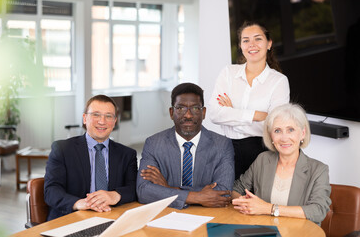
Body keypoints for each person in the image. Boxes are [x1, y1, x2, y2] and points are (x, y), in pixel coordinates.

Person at [208, 21, 290, 180]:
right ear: (240, 45)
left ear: (269, 44)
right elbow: (214, 114)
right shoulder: (228, 73)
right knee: (226, 200)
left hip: (261, 151)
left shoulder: (279, 81)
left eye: (258, 39)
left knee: (256, 201)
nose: (251, 44)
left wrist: (232, 115)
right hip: (228, 150)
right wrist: (256, 115)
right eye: (246, 40)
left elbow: (274, 126)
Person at [137, 83, 235, 209]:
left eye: (195, 108)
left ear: (203, 113)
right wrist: (196, 197)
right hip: (166, 215)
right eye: (181, 108)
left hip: (207, 216)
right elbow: (144, 191)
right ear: (171, 112)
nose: (188, 115)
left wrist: (168, 188)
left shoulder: (222, 145)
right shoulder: (154, 143)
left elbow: (223, 193)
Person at [231, 103, 331, 224]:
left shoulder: (318, 170)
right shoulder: (263, 159)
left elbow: (318, 211)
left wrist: (268, 209)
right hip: (263, 231)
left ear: (302, 133)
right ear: (271, 136)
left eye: (290, 130)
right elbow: (237, 188)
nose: (284, 138)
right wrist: (245, 203)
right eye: (277, 130)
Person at [44, 95, 137, 221]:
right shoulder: (62, 149)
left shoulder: (127, 154)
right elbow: (51, 190)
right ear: (84, 118)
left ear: (115, 121)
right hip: (72, 219)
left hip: (112, 218)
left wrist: (115, 195)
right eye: (96, 115)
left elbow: (134, 188)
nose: (102, 121)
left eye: (108, 116)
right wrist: (78, 203)